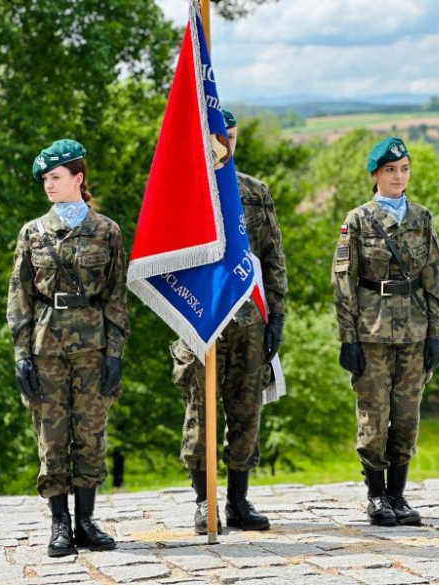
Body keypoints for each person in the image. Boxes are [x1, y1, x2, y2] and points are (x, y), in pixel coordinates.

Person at [7, 139, 129, 556]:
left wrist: (115, 352)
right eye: (44, 179)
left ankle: (86, 522)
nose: (48, 185)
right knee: (52, 436)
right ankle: (59, 524)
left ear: (78, 178)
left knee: (91, 435)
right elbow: (19, 297)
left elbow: (116, 296)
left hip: (93, 347)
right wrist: (21, 354)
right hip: (46, 348)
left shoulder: (107, 231)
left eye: (55, 177)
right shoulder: (32, 233)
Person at [170, 109, 287, 534]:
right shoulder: (184, 191)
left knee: (246, 410)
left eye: (232, 137)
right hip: (200, 321)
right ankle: (205, 502)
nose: (226, 145)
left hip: (248, 322)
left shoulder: (254, 193)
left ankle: (238, 500)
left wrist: (277, 318)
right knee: (200, 413)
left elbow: (273, 260)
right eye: (219, 137)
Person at [331, 136, 439, 527]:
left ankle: (398, 495)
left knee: (407, 414)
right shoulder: (358, 220)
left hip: (414, 329)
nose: (399, 177)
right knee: (373, 414)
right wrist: (348, 337)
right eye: (390, 170)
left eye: (404, 169)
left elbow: (434, 276)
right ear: (375, 175)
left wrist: (436, 331)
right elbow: (343, 280)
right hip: (372, 331)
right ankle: (376, 496)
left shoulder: (422, 217)